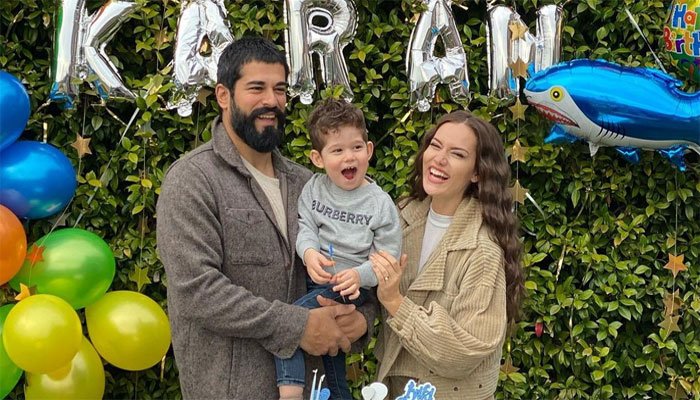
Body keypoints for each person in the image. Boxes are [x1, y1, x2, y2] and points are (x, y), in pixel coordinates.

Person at [156, 37, 377, 400]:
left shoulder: (309, 184)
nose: (271, 101)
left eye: (280, 89)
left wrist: (361, 318)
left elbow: (352, 260)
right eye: (256, 88)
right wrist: (298, 326)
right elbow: (197, 290)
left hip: (316, 389)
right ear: (224, 95)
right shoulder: (192, 180)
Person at [368, 110, 524, 399]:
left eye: (457, 154)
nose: (439, 159)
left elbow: (464, 352)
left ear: (477, 173)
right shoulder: (399, 217)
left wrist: (395, 302)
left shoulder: (482, 250)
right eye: (435, 146)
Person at [274, 98, 402, 400]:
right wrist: (308, 253)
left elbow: (388, 257)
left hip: (350, 288)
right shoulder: (314, 188)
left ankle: (290, 391)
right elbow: (306, 228)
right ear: (318, 158)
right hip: (316, 280)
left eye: (356, 147)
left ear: (369, 150)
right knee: (333, 366)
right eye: (337, 150)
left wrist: (359, 275)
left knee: (290, 323)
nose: (349, 157)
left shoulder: (379, 203)